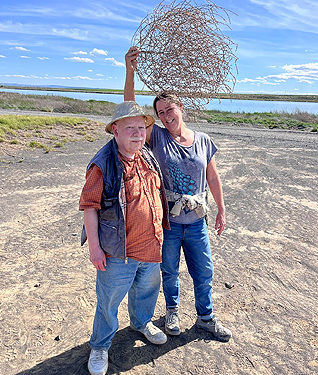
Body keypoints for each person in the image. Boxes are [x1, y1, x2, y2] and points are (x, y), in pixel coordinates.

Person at [124, 46, 232, 342]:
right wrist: (130, 71)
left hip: (197, 222)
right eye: (160, 113)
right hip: (169, 223)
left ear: (180, 107)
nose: (165, 116)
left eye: (169, 109)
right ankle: (172, 312)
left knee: (204, 272)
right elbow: (131, 111)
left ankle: (206, 318)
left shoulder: (203, 140)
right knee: (169, 272)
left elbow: (211, 175)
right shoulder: (156, 137)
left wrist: (221, 209)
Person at [79, 101, 170, 375]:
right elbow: (89, 207)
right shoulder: (103, 164)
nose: (137, 133)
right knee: (108, 303)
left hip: (151, 247)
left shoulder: (147, 156)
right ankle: (100, 345)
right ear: (115, 131)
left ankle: (141, 323)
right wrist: (95, 249)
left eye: (141, 128)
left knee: (147, 291)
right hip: (118, 253)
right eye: (130, 128)